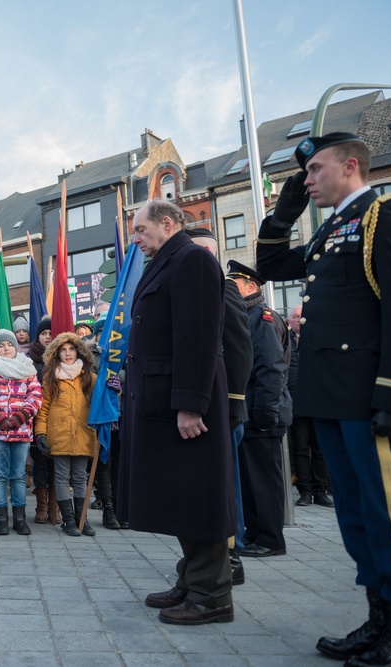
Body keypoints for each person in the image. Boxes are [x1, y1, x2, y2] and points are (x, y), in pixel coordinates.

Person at [256, 132, 391, 664]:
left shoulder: (389, 215)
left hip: (370, 397)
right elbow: (269, 268)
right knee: (357, 516)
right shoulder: (333, 229)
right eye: (304, 175)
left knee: (390, 513)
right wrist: (283, 212)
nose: (307, 181)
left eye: (314, 171)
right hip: (333, 397)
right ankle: (379, 619)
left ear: (350, 165)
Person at [119, 199, 236, 626]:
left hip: (184, 405)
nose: (135, 238)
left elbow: (199, 337)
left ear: (167, 224)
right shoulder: (170, 260)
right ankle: (192, 580)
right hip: (161, 400)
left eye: (139, 229)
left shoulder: (192, 261)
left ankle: (212, 595)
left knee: (199, 495)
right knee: (183, 495)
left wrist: (190, 404)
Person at [187, 227, 253, 584]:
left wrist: (234, 404)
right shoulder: (195, 287)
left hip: (223, 407)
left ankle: (232, 554)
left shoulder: (222, 286)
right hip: (205, 406)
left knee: (226, 485)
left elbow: (239, 348)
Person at [226, 260, 292, 558]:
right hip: (248, 412)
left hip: (262, 414)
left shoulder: (262, 318)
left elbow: (271, 369)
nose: (228, 288)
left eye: (234, 284)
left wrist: (265, 415)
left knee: (265, 481)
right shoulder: (244, 315)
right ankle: (254, 534)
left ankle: (271, 538)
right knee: (250, 482)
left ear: (251, 287)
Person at [0, 329, 42, 536]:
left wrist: (21, 416)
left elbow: (36, 396)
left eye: (9, 345)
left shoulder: (27, 369)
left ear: (16, 347)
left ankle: (20, 518)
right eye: (1, 346)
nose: (6, 349)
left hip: (21, 431)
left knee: (19, 476)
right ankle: (1, 518)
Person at [35, 332, 98, 537]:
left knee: (80, 477)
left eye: (71, 349)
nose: (68, 353)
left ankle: (82, 519)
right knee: (61, 477)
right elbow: (43, 410)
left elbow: (105, 401)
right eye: (63, 350)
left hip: (83, 433)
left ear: (78, 351)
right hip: (59, 434)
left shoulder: (89, 377)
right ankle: (68, 520)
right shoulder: (51, 377)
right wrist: (41, 434)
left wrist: (116, 389)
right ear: (57, 353)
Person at [286, 304, 333, 508]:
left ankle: (320, 490)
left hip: (318, 403)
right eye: (295, 317)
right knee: (300, 450)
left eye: (302, 316)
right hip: (295, 404)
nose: (299, 320)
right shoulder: (284, 341)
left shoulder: (317, 339)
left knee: (320, 449)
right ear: (289, 322)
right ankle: (304, 491)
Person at [27, 316, 59, 526]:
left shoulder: (61, 359)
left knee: (56, 462)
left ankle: (54, 506)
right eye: (44, 333)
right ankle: (41, 506)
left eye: (50, 333)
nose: (47, 337)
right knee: (39, 462)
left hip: (57, 417)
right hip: (36, 416)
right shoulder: (30, 360)